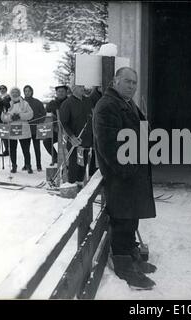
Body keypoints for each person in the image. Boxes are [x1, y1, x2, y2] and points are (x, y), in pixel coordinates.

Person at [93, 67, 157, 290]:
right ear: (115, 81)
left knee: (132, 218)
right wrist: (127, 170)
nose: (132, 86)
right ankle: (124, 267)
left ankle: (131, 256)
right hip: (121, 176)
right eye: (127, 81)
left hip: (133, 173)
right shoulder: (108, 105)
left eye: (134, 83)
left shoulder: (126, 102)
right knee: (122, 219)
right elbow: (108, 144)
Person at [59, 82, 95, 186]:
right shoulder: (67, 103)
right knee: (74, 163)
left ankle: (79, 183)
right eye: (80, 86)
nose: (83, 88)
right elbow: (64, 123)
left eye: (83, 86)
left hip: (87, 138)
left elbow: (92, 117)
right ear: (73, 88)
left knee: (83, 163)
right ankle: (71, 184)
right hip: (74, 139)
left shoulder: (88, 101)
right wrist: (72, 137)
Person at [1, 87, 34, 173]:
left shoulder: (25, 104)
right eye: (13, 92)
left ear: (19, 93)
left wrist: (20, 116)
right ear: (11, 94)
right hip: (12, 129)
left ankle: (28, 165)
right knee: (12, 149)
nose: (15, 94)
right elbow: (3, 117)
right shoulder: (7, 104)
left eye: (16, 92)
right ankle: (14, 166)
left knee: (26, 149)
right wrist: (11, 117)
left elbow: (31, 114)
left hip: (23, 129)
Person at [44, 85, 68, 165]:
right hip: (56, 129)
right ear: (56, 93)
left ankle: (67, 161)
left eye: (62, 91)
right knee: (46, 141)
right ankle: (55, 157)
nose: (61, 93)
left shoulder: (69, 101)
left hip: (68, 130)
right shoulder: (53, 102)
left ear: (66, 92)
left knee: (67, 145)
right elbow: (47, 110)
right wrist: (50, 107)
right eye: (59, 91)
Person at [24, 85, 45, 171]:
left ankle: (39, 165)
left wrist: (39, 123)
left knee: (37, 148)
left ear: (32, 92)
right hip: (25, 129)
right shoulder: (21, 102)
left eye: (29, 91)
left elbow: (43, 114)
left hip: (35, 129)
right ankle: (27, 164)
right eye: (25, 91)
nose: (27, 92)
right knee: (26, 148)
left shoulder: (37, 102)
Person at [0, 84, 10, 157]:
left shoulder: (8, 96)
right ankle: (6, 149)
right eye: (1, 88)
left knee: (7, 134)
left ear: (6, 89)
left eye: (3, 88)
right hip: (0, 117)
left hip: (7, 116)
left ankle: (8, 149)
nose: (2, 90)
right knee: (2, 134)